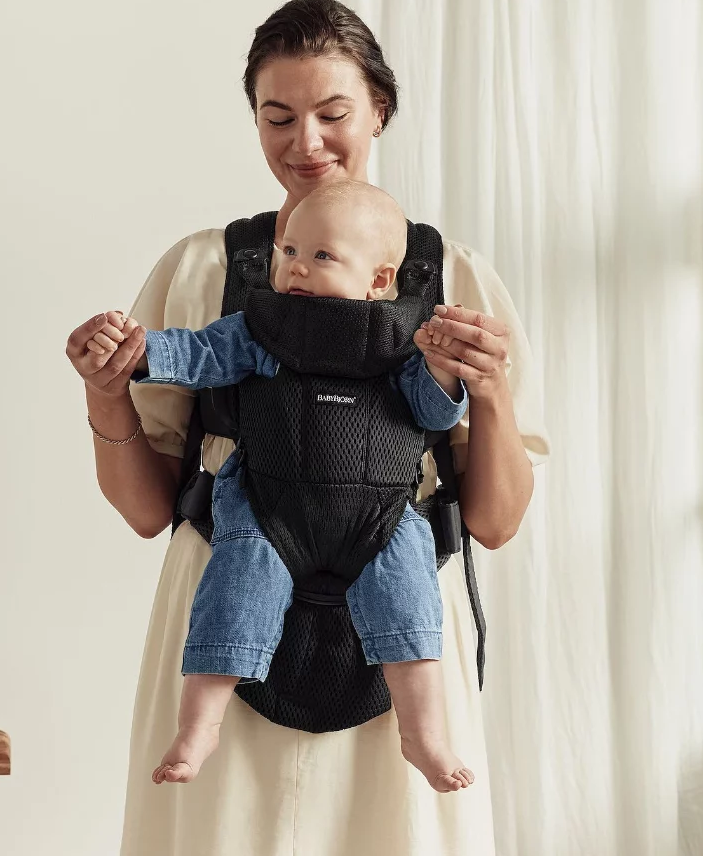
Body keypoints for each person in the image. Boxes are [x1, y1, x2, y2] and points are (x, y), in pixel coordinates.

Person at [65, 0, 549, 856]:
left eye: (333, 113)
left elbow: (496, 521)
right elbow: (146, 510)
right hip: (227, 594)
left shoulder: (452, 273)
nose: (306, 143)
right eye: (277, 116)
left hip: (396, 610)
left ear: (379, 110)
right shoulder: (204, 266)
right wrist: (107, 393)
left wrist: (491, 392)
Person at [84, 180, 475, 792]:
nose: (296, 267)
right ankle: (199, 726)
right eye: (289, 251)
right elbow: (200, 355)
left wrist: (445, 371)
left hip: (379, 518)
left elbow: (430, 412)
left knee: (410, 600)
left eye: (321, 255)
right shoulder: (261, 328)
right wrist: (138, 353)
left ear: (379, 280)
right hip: (269, 513)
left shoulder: (405, 339)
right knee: (233, 593)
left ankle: (423, 734)